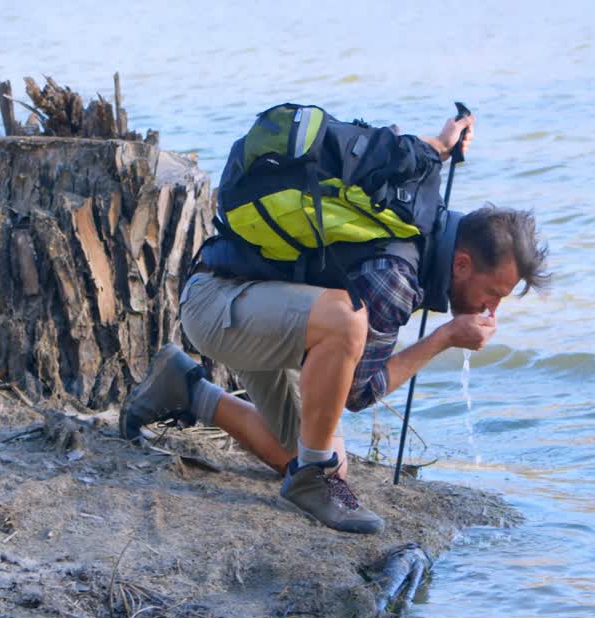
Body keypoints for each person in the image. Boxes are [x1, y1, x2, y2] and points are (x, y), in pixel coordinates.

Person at [121, 108, 550, 534]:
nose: (491, 309)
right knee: (347, 323)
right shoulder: (396, 277)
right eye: (494, 294)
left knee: (326, 459)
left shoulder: (422, 194)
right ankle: (311, 479)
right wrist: (444, 337)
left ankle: (185, 387)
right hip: (218, 302)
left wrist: (441, 144)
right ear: (461, 264)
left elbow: (399, 152)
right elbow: (360, 393)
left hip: (270, 305)